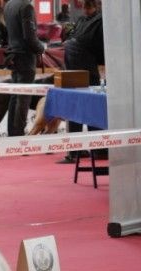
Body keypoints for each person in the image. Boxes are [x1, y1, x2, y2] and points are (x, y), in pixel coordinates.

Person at [61, 0, 104, 162]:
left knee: (77, 107)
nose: (85, 9)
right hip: (84, 67)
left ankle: (77, 150)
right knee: (92, 106)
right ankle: (97, 149)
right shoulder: (98, 21)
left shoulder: (83, 20)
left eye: (87, 6)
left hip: (74, 64)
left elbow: (71, 39)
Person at [3, 0, 44, 136]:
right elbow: (29, 37)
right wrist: (41, 48)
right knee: (23, 97)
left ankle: (12, 132)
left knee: (15, 96)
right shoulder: (26, 6)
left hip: (13, 55)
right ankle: (19, 133)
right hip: (25, 57)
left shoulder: (9, 5)